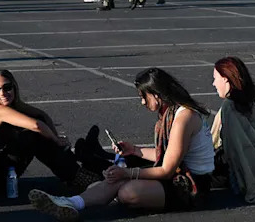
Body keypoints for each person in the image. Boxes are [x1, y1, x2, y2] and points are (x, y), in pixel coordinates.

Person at [29, 67, 214, 220]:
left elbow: (166, 169)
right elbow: (164, 156)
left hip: (191, 186)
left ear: (156, 95)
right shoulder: (172, 113)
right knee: (118, 182)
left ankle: (73, 202)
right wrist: (135, 150)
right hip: (178, 176)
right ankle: (69, 202)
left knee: (127, 191)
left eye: (144, 96)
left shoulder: (184, 118)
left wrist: (127, 172)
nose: (142, 102)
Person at [0, 70, 100, 192]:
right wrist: (56, 140)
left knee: (38, 132)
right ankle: (77, 175)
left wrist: (56, 138)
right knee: (33, 134)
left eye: (7, 87)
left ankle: (79, 171)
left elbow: (42, 115)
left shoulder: (12, 107)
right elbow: (36, 125)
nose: (2, 93)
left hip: (5, 169)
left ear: (14, 87)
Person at [210, 57, 255, 205]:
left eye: (215, 78)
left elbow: (240, 150)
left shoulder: (231, 107)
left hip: (223, 170)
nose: (213, 83)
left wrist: (253, 185)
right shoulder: (246, 102)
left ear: (226, 79)